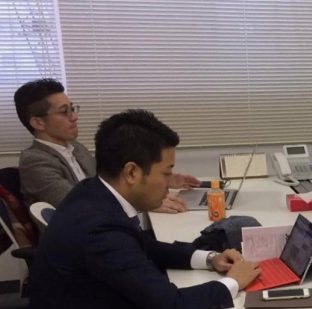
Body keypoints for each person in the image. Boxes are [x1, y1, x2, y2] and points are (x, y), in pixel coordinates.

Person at [23, 110, 261, 309]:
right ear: (132, 172)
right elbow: (171, 305)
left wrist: (210, 259)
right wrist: (234, 282)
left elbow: (142, 246)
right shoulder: (98, 228)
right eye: (166, 173)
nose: (169, 182)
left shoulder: (94, 194)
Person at [14, 78, 199, 211]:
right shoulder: (34, 160)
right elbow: (80, 205)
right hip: (83, 241)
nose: (74, 117)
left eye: (73, 109)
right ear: (38, 123)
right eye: (64, 112)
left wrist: (163, 180)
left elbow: (110, 181)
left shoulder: (76, 148)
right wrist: (146, 202)